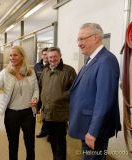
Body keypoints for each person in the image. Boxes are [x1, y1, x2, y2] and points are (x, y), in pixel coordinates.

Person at [69, 23, 121, 160]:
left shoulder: (106, 61)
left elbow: (104, 101)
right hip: (86, 124)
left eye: (82, 39)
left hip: (94, 129)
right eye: (78, 40)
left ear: (96, 38)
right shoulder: (92, 59)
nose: (79, 43)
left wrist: (93, 131)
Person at [0, 46, 39, 160]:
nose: (12, 58)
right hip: (12, 113)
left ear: (22, 56)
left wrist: (35, 98)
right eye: (11, 55)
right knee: (13, 144)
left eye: (15, 55)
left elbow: (36, 89)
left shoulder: (30, 72)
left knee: (30, 144)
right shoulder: (5, 72)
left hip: (28, 113)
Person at [40, 47, 76, 160]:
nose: (52, 59)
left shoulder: (69, 70)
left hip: (61, 112)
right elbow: (41, 87)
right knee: (52, 139)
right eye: (50, 57)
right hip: (47, 112)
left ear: (60, 56)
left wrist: (61, 97)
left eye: (55, 56)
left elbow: (75, 90)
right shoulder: (45, 71)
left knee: (60, 140)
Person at [34, 47, 49, 138]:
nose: (46, 56)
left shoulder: (52, 65)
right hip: (39, 93)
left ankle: (47, 132)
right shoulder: (37, 66)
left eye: (47, 54)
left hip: (48, 94)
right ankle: (44, 130)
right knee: (39, 112)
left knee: (47, 113)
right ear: (41, 55)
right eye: (44, 54)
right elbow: (34, 80)